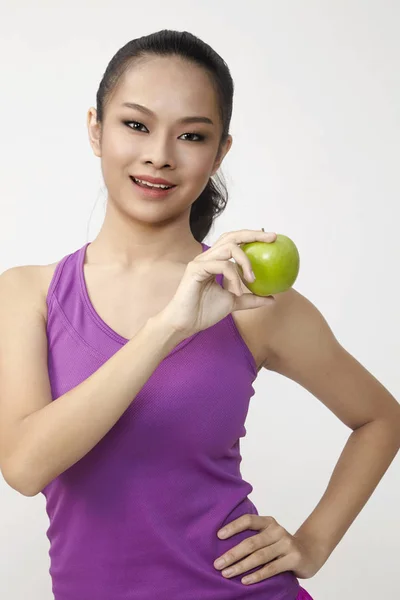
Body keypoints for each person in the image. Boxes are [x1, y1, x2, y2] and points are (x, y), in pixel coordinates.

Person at [1, 29, 399, 600]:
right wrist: (167, 329)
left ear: (219, 153)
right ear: (96, 129)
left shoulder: (251, 302)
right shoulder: (27, 294)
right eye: (135, 125)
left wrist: (313, 542)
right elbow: (24, 467)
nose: (159, 154)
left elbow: (381, 418)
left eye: (191, 135)